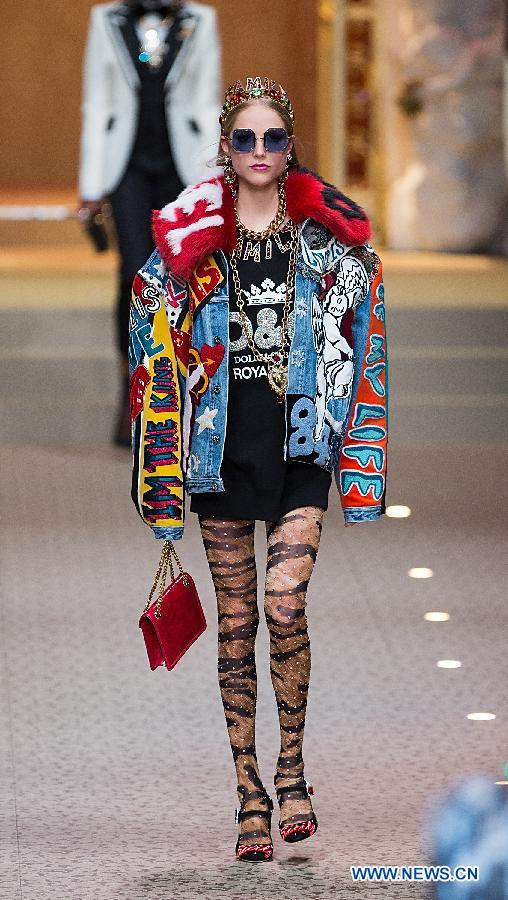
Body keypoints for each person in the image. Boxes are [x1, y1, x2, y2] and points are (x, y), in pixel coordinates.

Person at [129, 76, 388, 862]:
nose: (261, 151)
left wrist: (361, 458)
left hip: (302, 442)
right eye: (246, 138)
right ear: (226, 147)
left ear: (290, 145)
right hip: (220, 448)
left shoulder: (323, 240)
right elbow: (145, 306)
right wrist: (167, 406)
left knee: (284, 603)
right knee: (237, 622)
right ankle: (249, 792)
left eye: (274, 138)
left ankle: (292, 770)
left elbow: (367, 319)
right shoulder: (193, 237)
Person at [78, 0, 221, 445]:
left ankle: (178, 389)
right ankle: (133, 388)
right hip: (126, 168)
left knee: (184, 275)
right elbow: (96, 100)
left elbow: (208, 99)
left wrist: (215, 176)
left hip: (183, 165)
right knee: (133, 274)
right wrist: (90, 182)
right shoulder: (107, 19)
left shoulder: (200, 19)